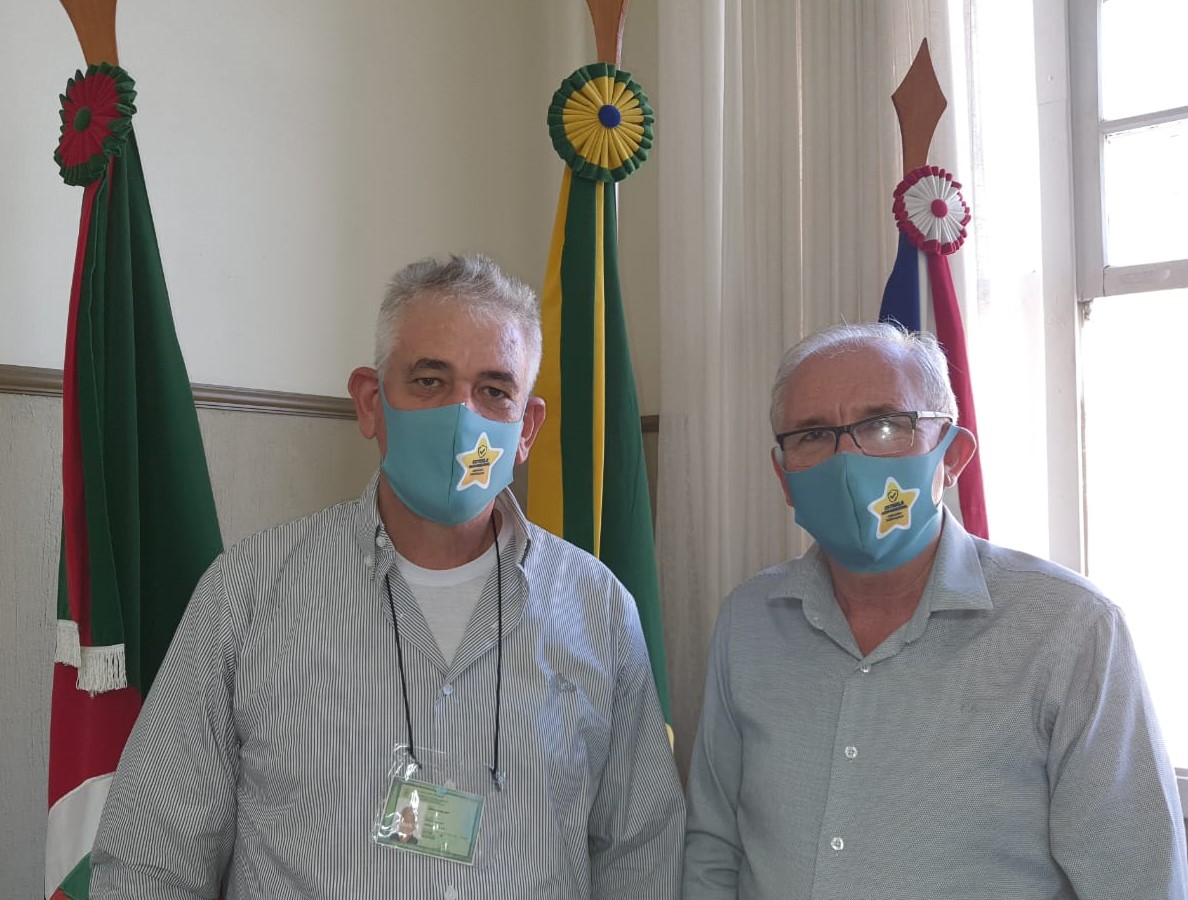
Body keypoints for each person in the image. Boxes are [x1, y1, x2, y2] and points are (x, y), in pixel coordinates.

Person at [91, 254, 684, 899]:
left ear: (527, 428)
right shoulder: (250, 592)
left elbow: (641, 859)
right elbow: (152, 856)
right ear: (371, 403)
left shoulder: (599, 609)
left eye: (493, 390)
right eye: (429, 381)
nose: (461, 417)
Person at [682, 322, 1187, 900]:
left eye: (885, 424)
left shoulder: (1071, 630)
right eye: (813, 434)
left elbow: (1138, 880)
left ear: (952, 456)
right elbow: (714, 846)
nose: (847, 460)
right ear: (784, 476)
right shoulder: (749, 621)